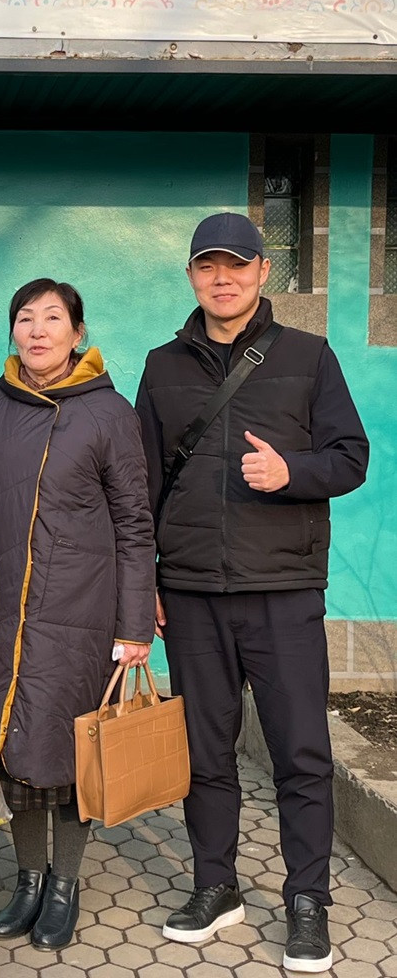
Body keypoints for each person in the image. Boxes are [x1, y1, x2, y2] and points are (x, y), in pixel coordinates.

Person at [135, 212, 369, 973]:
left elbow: (351, 457)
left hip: (283, 589)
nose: (222, 278)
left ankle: (307, 900)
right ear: (191, 276)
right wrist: (147, 584)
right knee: (206, 753)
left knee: (301, 752)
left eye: (237, 265)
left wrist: (292, 472)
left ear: (264, 272)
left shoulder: (309, 356)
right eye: (208, 265)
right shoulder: (162, 366)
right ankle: (216, 885)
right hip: (191, 591)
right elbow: (140, 486)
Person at [0, 279, 157, 951]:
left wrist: (135, 627)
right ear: (13, 331)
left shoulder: (108, 413)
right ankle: (27, 879)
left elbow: (135, 524)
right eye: (26, 318)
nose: (38, 330)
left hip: (81, 612)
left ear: (78, 333)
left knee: (72, 749)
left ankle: (65, 885)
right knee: (15, 747)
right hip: (1, 612)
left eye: (53, 318)